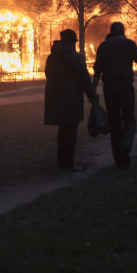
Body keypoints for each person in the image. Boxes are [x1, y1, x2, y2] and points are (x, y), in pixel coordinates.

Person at [92, 21, 137, 167]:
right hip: (125, 86)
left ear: (111, 31)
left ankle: (118, 158)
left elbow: (97, 70)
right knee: (129, 120)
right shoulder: (129, 44)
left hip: (109, 87)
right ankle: (125, 146)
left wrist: (93, 90)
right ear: (123, 31)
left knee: (114, 122)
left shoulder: (103, 46)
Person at [44, 29, 99, 170]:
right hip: (71, 99)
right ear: (71, 42)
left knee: (63, 130)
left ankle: (61, 161)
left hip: (55, 100)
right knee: (70, 131)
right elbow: (84, 79)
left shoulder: (51, 58)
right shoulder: (75, 57)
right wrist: (92, 95)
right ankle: (68, 164)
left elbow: (48, 75)